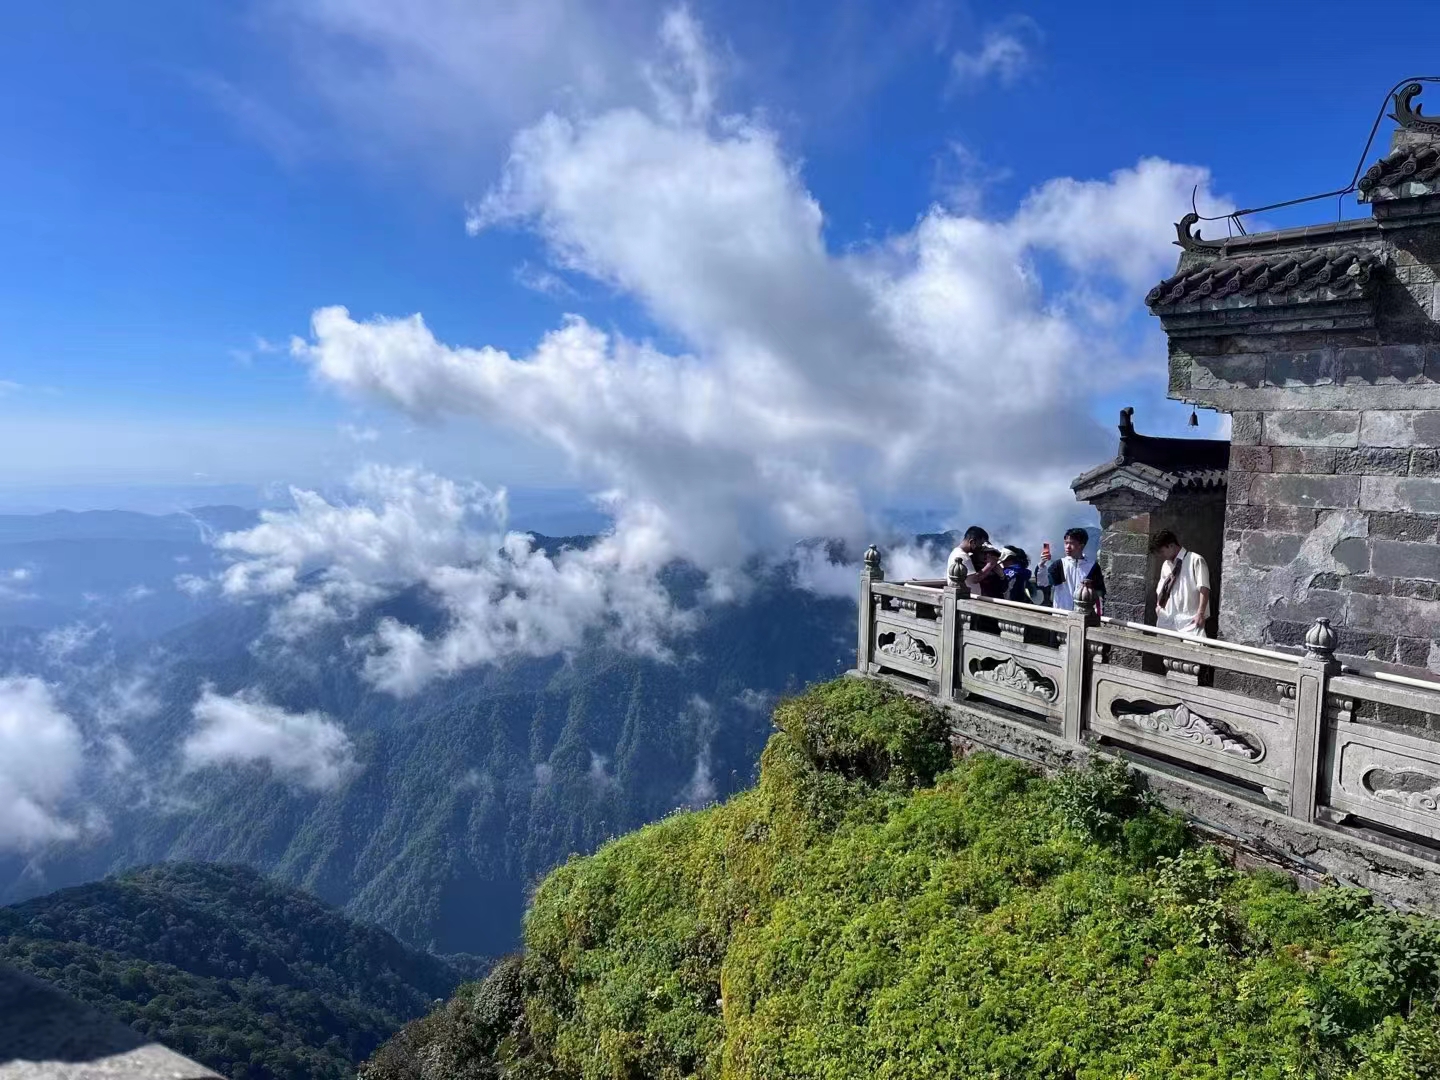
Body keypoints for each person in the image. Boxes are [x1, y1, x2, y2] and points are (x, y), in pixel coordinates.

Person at [1151, 529, 1211, 637]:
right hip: (1168, 618)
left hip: (1190, 619)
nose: (1161, 555)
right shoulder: (1166, 565)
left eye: (1162, 551)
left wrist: (1201, 613)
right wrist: (1158, 607)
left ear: (1171, 545)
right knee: (1166, 650)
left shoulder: (1195, 560)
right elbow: (1161, 588)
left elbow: (1204, 588)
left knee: (1193, 651)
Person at [1048, 527, 1105, 612]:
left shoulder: (1092, 566)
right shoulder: (1059, 565)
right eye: (1066, 543)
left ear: (1081, 545)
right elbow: (1044, 582)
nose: (1067, 547)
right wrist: (1042, 565)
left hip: (1085, 616)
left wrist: (1098, 612)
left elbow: (1099, 591)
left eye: (1071, 543)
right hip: (1061, 613)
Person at [945, 526, 991, 593]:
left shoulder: (956, 552)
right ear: (972, 542)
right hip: (967, 599)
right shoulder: (962, 556)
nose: (981, 547)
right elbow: (974, 579)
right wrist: (990, 564)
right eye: (980, 544)